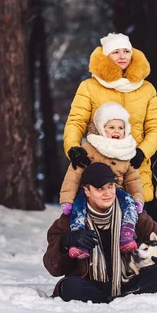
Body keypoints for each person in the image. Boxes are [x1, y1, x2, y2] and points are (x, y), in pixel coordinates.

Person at [43, 162, 157, 304]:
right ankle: (121, 300)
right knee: (69, 287)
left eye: (110, 186)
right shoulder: (69, 221)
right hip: (90, 283)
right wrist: (65, 242)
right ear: (86, 190)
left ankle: (117, 299)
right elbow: (53, 268)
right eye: (100, 188)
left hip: (128, 280)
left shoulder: (132, 215)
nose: (107, 193)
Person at [63, 33, 157, 205]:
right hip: (99, 170)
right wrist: (73, 148)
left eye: (126, 51)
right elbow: (76, 121)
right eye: (116, 52)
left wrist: (142, 152)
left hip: (135, 168)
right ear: (106, 56)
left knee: (136, 226)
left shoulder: (147, 89)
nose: (122, 56)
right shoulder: (89, 87)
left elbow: (156, 127)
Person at [59, 102, 144, 258]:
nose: (116, 131)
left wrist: (138, 198)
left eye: (120, 127)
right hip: (91, 192)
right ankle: (78, 240)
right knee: (79, 208)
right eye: (111, 127)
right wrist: (67, 199)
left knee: (129, 203)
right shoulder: (90, 147)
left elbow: (133, 178)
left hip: (116, 191)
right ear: (100, 128)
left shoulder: (127, 150)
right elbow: (74, 175)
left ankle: (127, 232)